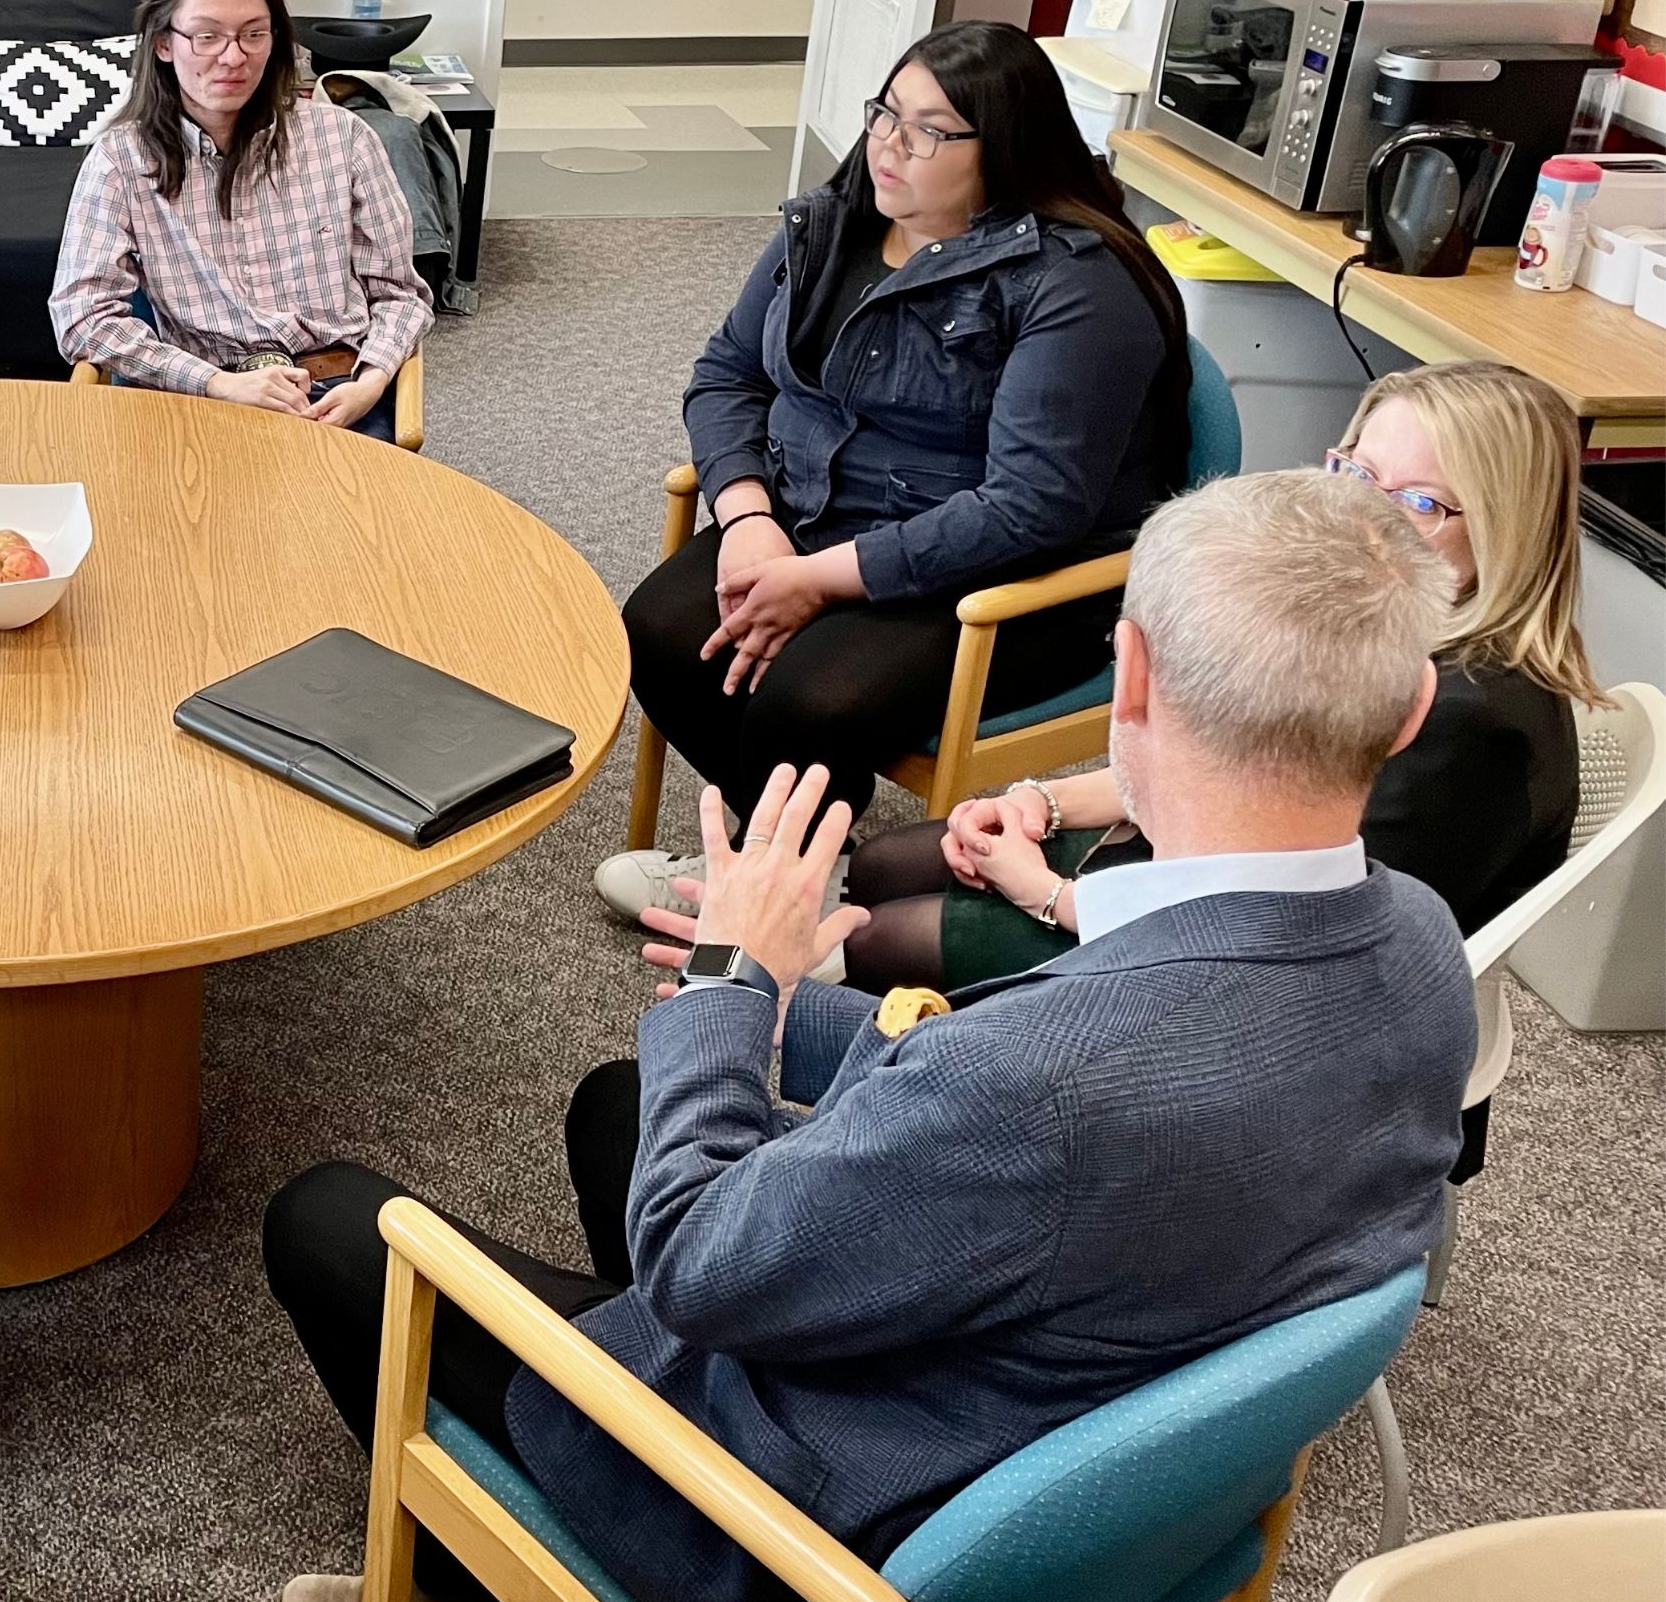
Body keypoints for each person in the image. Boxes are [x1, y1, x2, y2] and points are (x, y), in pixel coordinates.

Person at [266, 470, 1472, 1602]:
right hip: (1071, 1390)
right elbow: (1019, 1090)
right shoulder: (1421, 943)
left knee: (331, 1218)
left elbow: (697, 1259)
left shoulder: (1034, 1086)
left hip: (829, 1521)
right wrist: (771, 1009)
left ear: (1133, 672)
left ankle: (483, 1560)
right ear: (1409, 708)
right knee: (619, 1105)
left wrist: (730, 980)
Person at [595, 19, 1191, 919]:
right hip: (812, 514)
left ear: (1006, 148)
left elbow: (1030, 507)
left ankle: (781, 894)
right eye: (885, 114)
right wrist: (750, 517)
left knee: (811, 698)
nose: (888, 145)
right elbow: (728, 371)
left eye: (929, 130)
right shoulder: (835, 223)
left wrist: (820, 580)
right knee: (661, 631)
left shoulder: (1079, 283)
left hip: (1007, 577)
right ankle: (789, 862)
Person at [834, 360, 1605, 994]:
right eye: (1357, 473)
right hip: (1201, 869)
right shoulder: (1367, 622)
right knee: (884, 863)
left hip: (1254, 980)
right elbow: (1211, 754)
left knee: (883, 941)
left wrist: (1044, 893)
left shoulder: (1469, 728)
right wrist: (1035, 801)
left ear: (1503, 527)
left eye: (1418, 501)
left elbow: (1282, 935)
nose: (1362, 515)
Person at [49, 0, 431, 441]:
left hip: (338, 391)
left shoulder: (344, 138)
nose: (234, 57)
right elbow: (82, 318)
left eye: (254, 34)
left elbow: (400, 294)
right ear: (164, 43)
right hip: (202, 397)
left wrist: (372, 379)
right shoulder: (121, 160)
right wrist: (218, 383)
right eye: (207, 37)